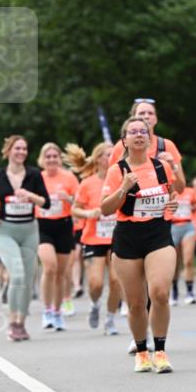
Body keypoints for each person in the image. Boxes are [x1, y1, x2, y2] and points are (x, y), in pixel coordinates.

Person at [101, 116, 179, 373]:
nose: (139, 134)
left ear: (149, 137)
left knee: (159, 293)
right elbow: (105, 209)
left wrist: (171, 204)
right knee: (135, 303)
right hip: (127, 237)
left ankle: (161, 350)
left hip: (158, 233)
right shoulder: (117, 171)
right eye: (133, 131)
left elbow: (171, 194)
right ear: (124, 140)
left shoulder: (160, 168)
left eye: (143, 131)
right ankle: (142, 351)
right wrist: (123, 188)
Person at [0, 136, 50, 341]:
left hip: (29, 229)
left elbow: (45, 202)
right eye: (17, 148)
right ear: (9, 151)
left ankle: (21, 322)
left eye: (24, 149)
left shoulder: (34, 175)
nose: (21, 152)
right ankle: (12, 323)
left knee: (28, 278)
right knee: (18, 275)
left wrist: (31, 196)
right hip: (5, 230)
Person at [66, 141, 122, 335]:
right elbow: (75, 209)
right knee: (96, 283)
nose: (111, 158)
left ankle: (110, 319)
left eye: (113, 154)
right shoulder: (87, 183)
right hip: (93, 238)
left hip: (118, 237)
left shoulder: (121, 179)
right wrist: (90, 214)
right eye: (107, 154)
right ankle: (95, 303)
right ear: (98, 159)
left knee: (116, 281)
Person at [36, 142, 78, 331]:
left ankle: (58, 311)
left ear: (59, 159)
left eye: (54, 156)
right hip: (42, 226)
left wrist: (68, 199)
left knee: (61, 274)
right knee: (49, 267)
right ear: (42, 160)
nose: (51, 159)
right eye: (48, 156)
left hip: (63, 225)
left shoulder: (69, 177)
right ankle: (46, 311)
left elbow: (80, 202)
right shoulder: (36, 178)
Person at [108, 99, 186, 193]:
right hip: (130, 206)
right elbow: (110, 187)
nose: (146, 116)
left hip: (162, 207)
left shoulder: (167, 146)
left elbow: (180, 189)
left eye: (150, 113)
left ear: (156, 119)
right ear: (133, 118)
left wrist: (172, 167)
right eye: (142, 113)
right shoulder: (121, 146)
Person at [170, 183, 196, 305]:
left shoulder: (190, 191)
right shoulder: (168, 190)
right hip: (172, 227)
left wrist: (193, 208)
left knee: (188, 260)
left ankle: (189, 292)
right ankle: (174, 291)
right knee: (174, 263)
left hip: (188, 226)